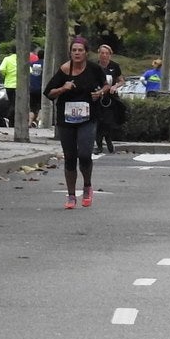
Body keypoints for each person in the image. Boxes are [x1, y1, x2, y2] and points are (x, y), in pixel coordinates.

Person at [44, 36, 106, 209]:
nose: (77, 53)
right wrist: (64, 88)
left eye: (80, 50)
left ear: (86, 53)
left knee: (85, 154)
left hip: (88, 117)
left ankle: (87, 185)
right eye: (74, 50)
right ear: (70, 53)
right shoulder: (65, 69)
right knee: (70, 157)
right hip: (66, 119)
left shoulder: (94, 69)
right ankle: (71, 195)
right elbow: (48, 92)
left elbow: (106, 85)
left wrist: (100, 92)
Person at [94, 44, 124, 153]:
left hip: (110, 99)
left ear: (110, 55)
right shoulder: (94, 66)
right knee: (98, 121)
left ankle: (108, 140)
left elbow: (121, 80)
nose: (104, 55)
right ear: (99, 54)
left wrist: (115, 86)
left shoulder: (114, 66)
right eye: (102, 53)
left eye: (107, 53)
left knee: (108, 121)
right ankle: (99, 145)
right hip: (98, 98)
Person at [0, 45, 20, 112]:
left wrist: (5, 74)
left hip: (9, 85)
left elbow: (1, 69)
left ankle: (11, 119)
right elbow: (30, 70)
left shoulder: (7, 59)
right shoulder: (22, 59)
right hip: (20, 85)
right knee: (18, 104)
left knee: (11, 103)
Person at [28, 48, 43, 127]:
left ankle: (30, 122)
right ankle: (37, 121)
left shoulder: (33, 64)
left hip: (32, 88)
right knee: (42, 106)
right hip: (41, 89)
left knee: (32, 107)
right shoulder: (47, 64)